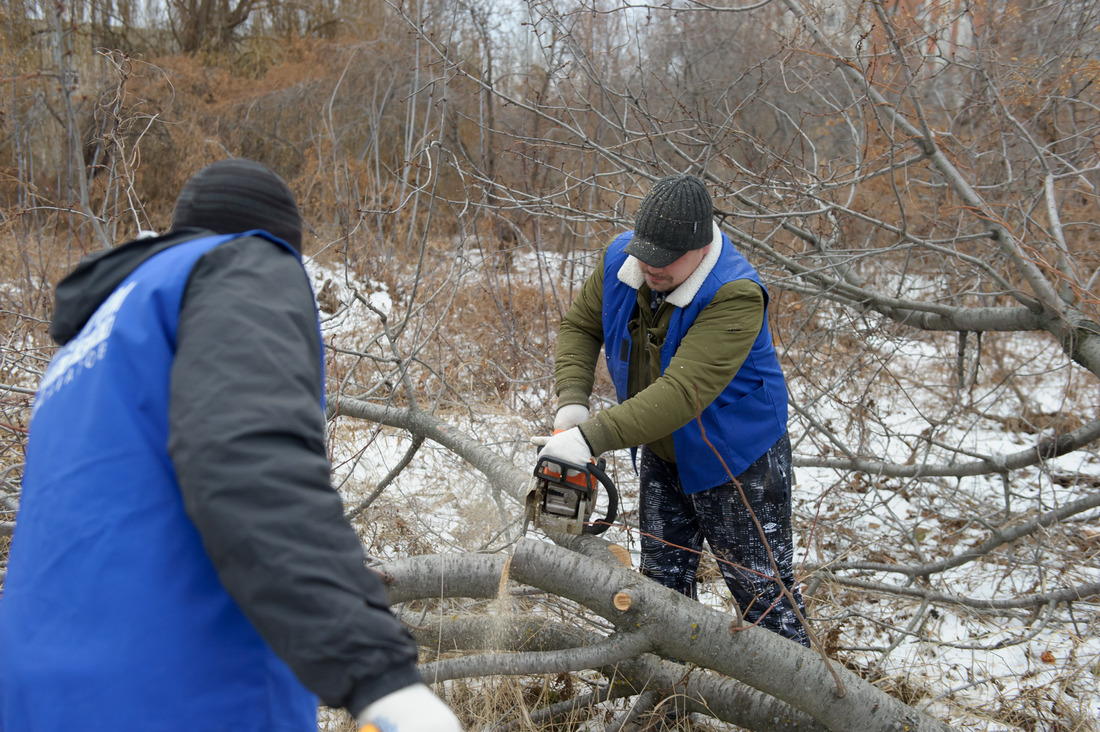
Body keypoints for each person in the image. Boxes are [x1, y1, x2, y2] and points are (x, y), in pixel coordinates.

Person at [0, 158, 463, 731]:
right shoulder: (246, 261)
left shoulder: (92, 336)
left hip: (37, 691)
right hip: (181, 692)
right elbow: (250, 465)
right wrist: (378, 672)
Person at [534, 173, 810, 646]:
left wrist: (588, 440)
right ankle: (670, 697)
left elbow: (683, 392)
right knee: (660, 588)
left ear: (702, 247)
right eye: (645, 252)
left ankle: (805, 703)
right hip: (664, 453)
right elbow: (580, 327)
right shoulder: (622, 260)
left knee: (763, 597)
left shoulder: (734, 294)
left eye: (665, 259)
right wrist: (573, 407)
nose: (649, 267)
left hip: (739, 462)